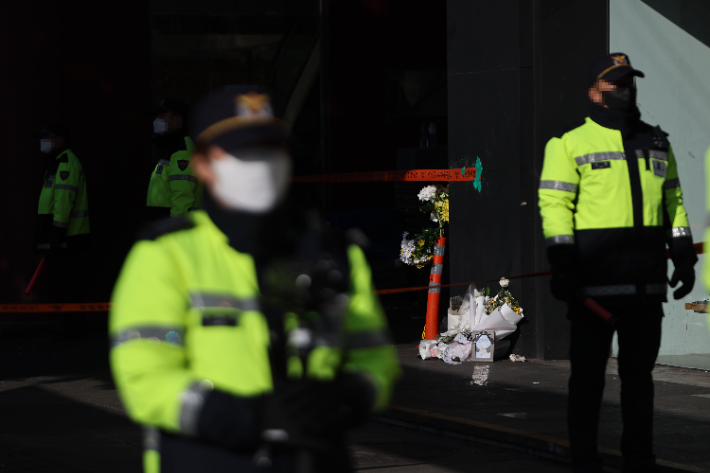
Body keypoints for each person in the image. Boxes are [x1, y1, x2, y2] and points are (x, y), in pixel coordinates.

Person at [110, 87, 401, 473]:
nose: (260, 165)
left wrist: (350, 395)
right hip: (206, 458)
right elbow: (143, 375)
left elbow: (375, 356)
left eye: (270, 150)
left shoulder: (335, 253)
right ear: (202, 165)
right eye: (240, 152)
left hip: (314, 458)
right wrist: (250, 417)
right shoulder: (167, 254)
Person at [538, 53, 697, 473]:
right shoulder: (568, 144)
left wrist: (683, 256)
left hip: (646, 288)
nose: (625, 91)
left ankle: (640, 462)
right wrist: (562, 262)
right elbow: (554, 206)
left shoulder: (657, 141)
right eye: (615, 84)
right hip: (592, 290)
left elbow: (673, 204)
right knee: (587, 383)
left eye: (629, 83)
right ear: (594, 92)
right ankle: (585, 462)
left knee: (639, 384)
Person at [33, 122, 90, 254]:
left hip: (67, 242)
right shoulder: (55, 163)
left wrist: (56, 237)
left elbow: (63, 202)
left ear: (61, 139)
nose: (43, 142)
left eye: (48, 138)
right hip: (59, 242)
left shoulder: (65, 164)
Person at [145, 98, 203, 222]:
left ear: (177, 119)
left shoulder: (182, 149)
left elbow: (182, 198)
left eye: (162, 116)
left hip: (172, 227)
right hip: (162, 223)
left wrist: (175, 230)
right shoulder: (170, 147)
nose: (157, 121)